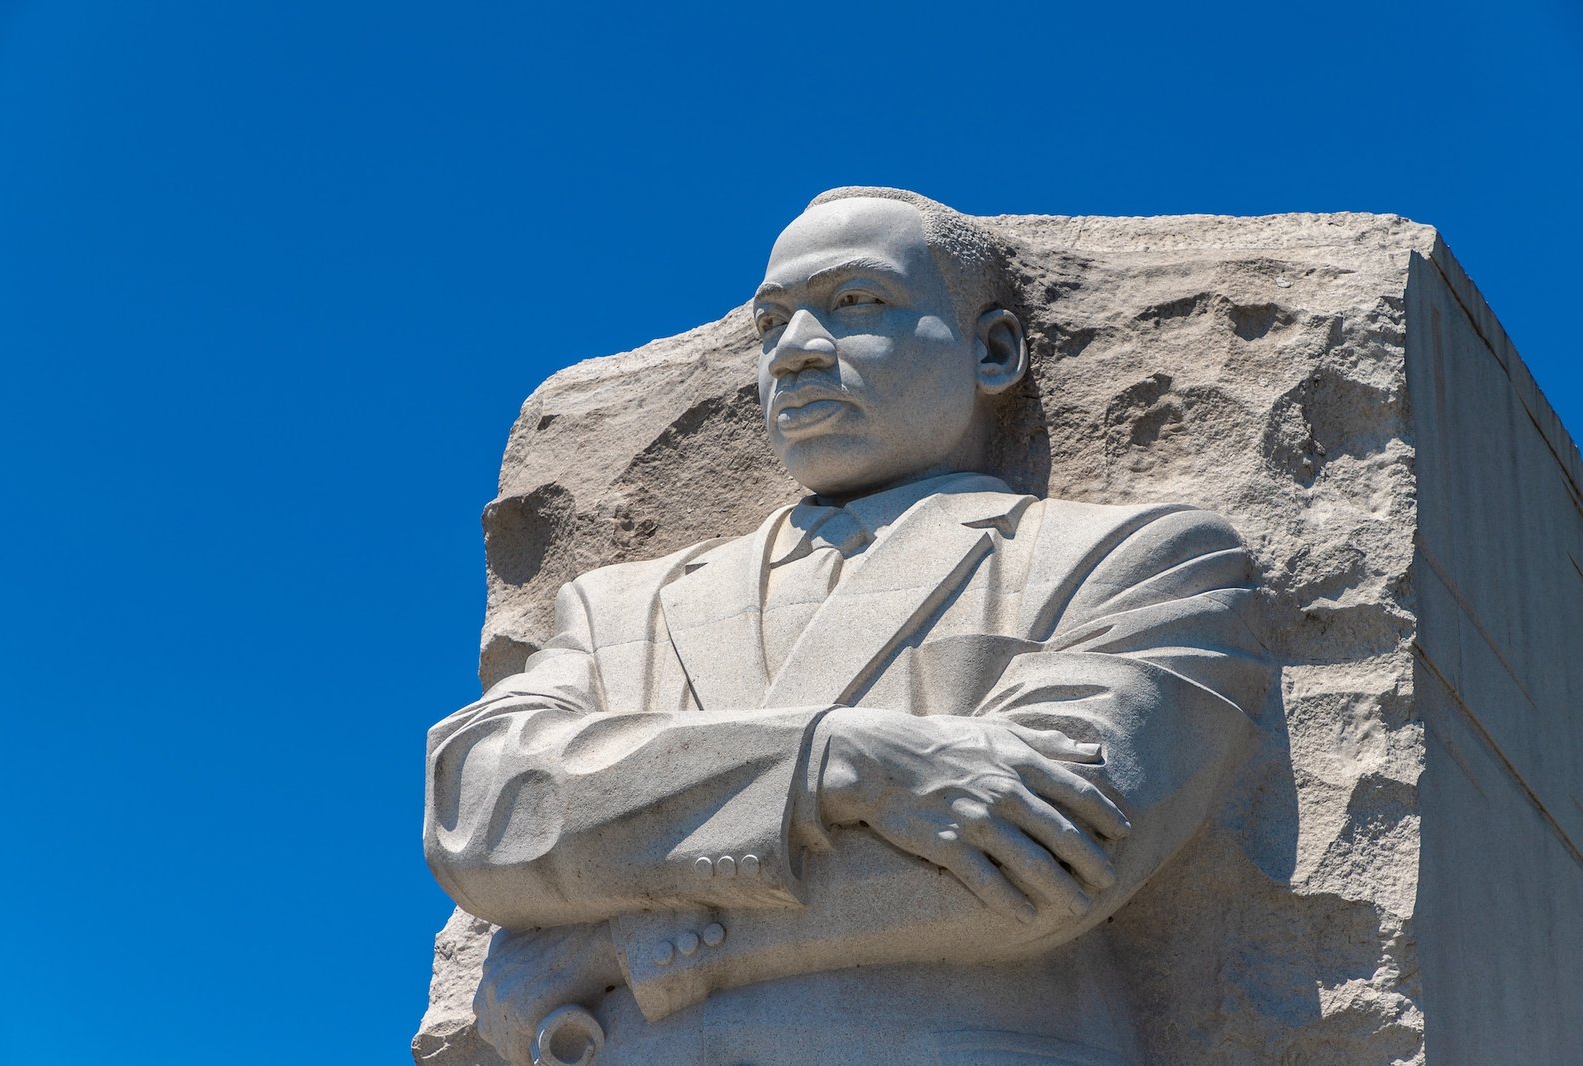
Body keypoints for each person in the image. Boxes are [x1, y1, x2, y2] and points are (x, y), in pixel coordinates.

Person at [424, 188, 1268, 1065]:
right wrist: (840, 763)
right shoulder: (620, 608)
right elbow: (479, 813)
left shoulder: (1137, 558)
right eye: (770, 324)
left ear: (992, 350)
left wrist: (606, 946)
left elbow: (1046, 855)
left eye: (855, 303)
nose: (792, 354)